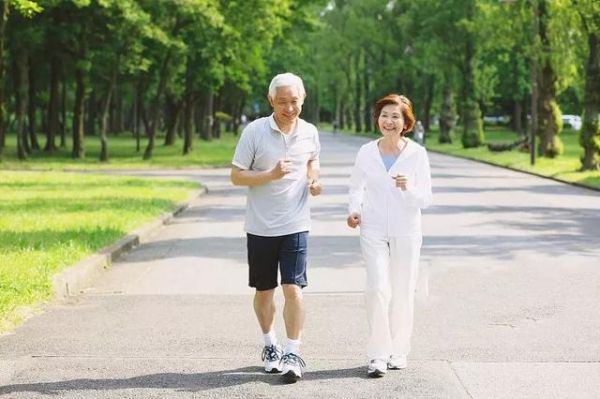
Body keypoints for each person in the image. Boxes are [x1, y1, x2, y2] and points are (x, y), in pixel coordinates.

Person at [230, 72, 321, 383]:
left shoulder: (309, 132)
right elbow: (237, 176)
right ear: (271, 101)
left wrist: (314, 179)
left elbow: (313, 160)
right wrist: (269, 175)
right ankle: (270, 344)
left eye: (294, 101)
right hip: (260, 226)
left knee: (294, 288)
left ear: (303, 100)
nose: (289, 108)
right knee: (264, 291)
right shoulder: (254, 132)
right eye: (282, 102)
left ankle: (293, 352)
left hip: (296, 224)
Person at [346, 94, 432, 378]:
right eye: (384, 115)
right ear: (377, 119)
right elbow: (356, 187)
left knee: (403, 290)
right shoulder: (366, 152)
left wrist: (408, 188)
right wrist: (354, 210)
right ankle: (378, 354)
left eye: (396, 116)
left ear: (406, 123)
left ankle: (399, 351)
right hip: (372, 227)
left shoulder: (416, 154)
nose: (389, 121)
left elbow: (426, 198)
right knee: (377, 289)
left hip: (406, 229)